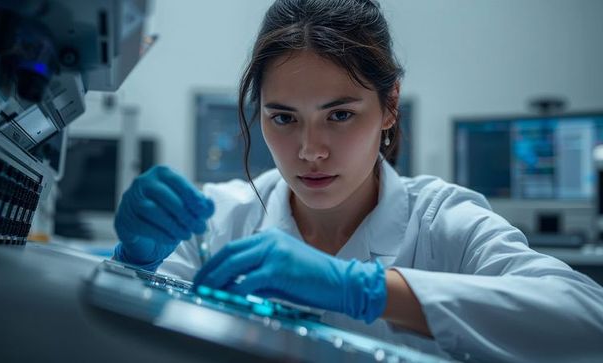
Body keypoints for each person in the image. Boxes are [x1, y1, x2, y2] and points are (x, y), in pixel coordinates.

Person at [112, 0, 603, 361]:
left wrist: (362, 289)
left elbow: (588, 319)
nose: (310, 150)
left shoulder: (442, 223)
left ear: (390, 105)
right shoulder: (219, 218)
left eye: (340, 115)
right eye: (283, 118)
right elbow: (123, 344)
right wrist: (132, 262)